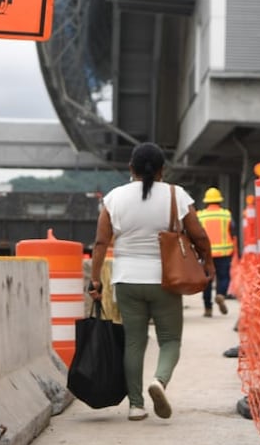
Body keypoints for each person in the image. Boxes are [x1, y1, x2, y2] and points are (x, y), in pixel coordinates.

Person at [88, 142, 213, 421]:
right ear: (162, 170)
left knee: (134, 341)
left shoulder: (114, 198)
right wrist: (209, 262)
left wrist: (95, 280)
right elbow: (199, 236)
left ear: (131, 167)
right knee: (170, 340)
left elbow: (100, 242)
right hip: (165, 278)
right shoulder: (176, 195)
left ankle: (136, 406)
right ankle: (159, 380)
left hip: (126, 280)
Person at [197, 187, 235, 317]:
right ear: (219, 201)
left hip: (206, 254)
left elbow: (196, 234)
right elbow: (233, 231)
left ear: (206, 202)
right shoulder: (226, 214)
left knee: (207, 281)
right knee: (224, 277)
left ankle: (208, 309)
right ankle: (221, 294)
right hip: (224, 253)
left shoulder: (200, 215)